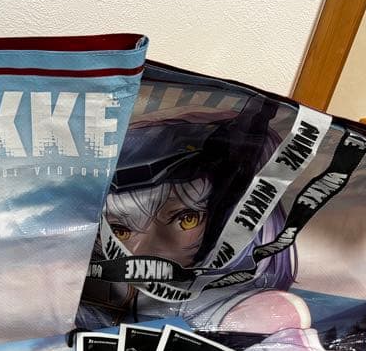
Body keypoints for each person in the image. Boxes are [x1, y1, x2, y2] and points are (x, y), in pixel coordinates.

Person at [78, 97, 309, 334]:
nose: (150, 250)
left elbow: (274, 317)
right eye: (120, 231)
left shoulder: (246, 311)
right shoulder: (92, 292)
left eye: (186, 219)